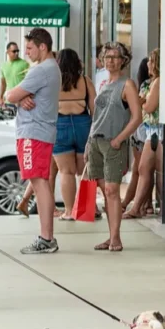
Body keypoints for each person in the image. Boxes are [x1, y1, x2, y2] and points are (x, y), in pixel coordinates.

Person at [6, 28, 62, 254]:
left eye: (29, 48)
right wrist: (21, 99)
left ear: (43, 47)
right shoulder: (50, 69)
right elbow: (16, 97)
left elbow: (9, 96)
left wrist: (17, 98)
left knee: (39, 183)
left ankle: (46, 238)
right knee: (41, 182)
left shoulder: (41, 70)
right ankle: (47, 237)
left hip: (34, 132)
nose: (26, 52)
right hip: (39, 131)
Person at [84, 42, 143, 252]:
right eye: (107, 57)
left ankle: (116, 237)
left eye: (115, 57)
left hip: (113, 142)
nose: (111, 60)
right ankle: (110, 236)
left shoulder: (127, 85)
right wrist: (87, 144)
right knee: (104, 191)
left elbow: (137, 117)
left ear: (123, 60)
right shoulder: (102, 83)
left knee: (112, 190)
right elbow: (96, 117)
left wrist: (119, 139)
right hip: (95, 141)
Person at [51, 48, 96, 221]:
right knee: (85, 169)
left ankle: (69, 211)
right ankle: (85, 210)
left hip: (60, 125)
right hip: (83, 124)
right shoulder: (85, 81)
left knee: (66, 172)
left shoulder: (53, 83)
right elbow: (95, 109)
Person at [125, 48, 162, 219]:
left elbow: (149, 106)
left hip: (157, 130)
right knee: (145, 168)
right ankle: (139, 206)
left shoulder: (158, 82)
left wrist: (143, 102)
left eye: (151, 61)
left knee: (149, 169)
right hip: (151, 130)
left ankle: (138, 207)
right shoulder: (153, 82)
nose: (148, 64)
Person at [0, 41, 31, 106]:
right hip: (8, 102)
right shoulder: (3, 66)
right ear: (7, 52)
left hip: (21, 102)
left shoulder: (24, 64)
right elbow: (3, 84)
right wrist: (0, 97)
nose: (16, 53)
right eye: (14, 51)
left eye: (17, 51)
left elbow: (30, 83)